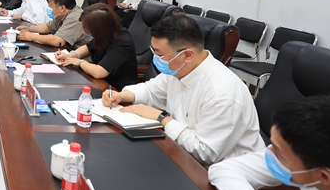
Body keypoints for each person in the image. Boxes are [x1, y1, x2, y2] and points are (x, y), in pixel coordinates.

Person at [103, 14, 263, 165]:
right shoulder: (180, 68)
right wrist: (122, 95)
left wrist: (162, 118)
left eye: (160, 55)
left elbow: (205, 152)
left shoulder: (221, 93)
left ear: (187, 55)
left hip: (224, 171)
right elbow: (151, 90)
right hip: (181, 152)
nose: (156, 59)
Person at [56, 3, 138, 89]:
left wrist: (79, 62)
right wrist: (71, 55)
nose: (86, 31)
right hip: (99, 83)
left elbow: (99, 72)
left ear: (100, 28)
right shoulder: (106, 33)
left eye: (88, 29)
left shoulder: (122, 42)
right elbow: (88, 47)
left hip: (117, 90)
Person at [17, 0, 91, 50]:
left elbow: (58, 41)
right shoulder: (62, 14)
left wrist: (31, 37)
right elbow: (47, 27)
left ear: (62, 8)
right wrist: (29, 28)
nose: (48, 6)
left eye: (50, 4)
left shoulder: (75, 17)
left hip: (81, 59)